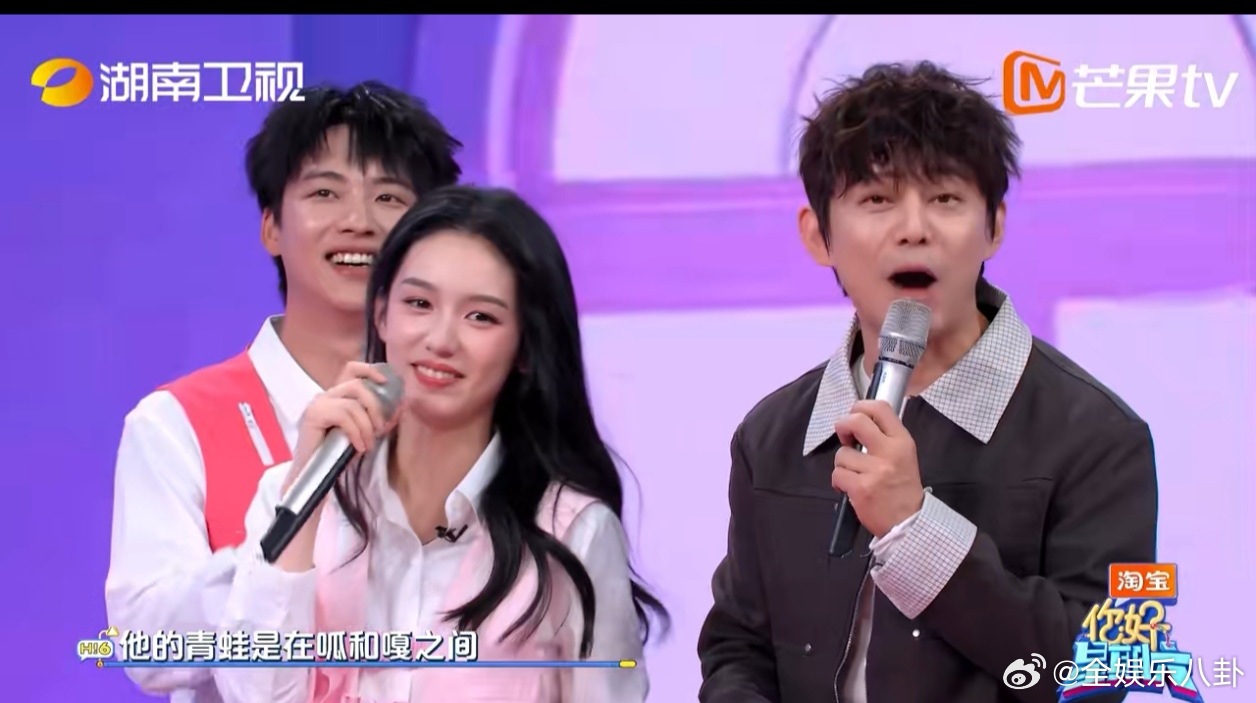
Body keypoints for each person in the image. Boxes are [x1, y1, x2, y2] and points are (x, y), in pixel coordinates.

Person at [696, 62, 1158, 703]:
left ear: (994, 226)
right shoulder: (772, 436)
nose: (914, 228)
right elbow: (737, 646)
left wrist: (915, 531)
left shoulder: (1098, 437)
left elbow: (1105, 673)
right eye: (877, 200)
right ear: (818, 235)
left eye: (945, 198)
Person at [215, 185, 668, 703]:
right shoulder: (293, 495)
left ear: (525, 347)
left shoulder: (572, 533)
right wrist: (305, 495)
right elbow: (250, 694)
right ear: (381, 314)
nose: (441, 340)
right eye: (419, 303)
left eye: (481, 317)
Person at [105, 81, 463, 702]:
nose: (359, 221)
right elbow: (145, 645)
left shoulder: (464, 415)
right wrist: (285, 540)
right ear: (271, 227)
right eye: (325, 192)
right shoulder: (177, 423)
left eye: (389, 197)